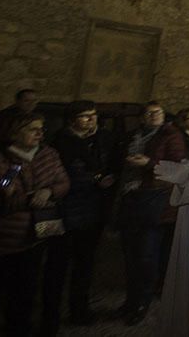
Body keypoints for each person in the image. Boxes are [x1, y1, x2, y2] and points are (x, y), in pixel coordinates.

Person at [0, 112, 69, 336]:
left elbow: (63, 181)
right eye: (33, 129)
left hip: (39, 234)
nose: (40, 133)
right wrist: (25, 199)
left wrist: (49, 190)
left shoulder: (49, 154)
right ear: (14, 133)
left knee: (26, 289)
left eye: (41, 129)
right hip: (6, 238)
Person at [43, 101, 119, 330]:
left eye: (93, 115)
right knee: (57, 266)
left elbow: (112, 164)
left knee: (84, 264)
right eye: (85, 116)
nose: (91, 120)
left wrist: (109, 179)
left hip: (92, 211)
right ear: (72, 119)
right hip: (66, 210)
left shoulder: (104, 138)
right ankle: (50, 316)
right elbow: (59, 175)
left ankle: (79, 310)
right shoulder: (61, 142)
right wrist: (94, 180)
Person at [117, 101, 186, 325]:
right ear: (142, 118)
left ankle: (142, 303)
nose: (154, 115)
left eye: (158, 112)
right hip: (131, 196)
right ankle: (130, 299)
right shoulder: (133, 135)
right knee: (130, 254)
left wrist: (148, 163)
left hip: (154, 199)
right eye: (149, 113)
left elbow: (176, 164)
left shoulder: (171, 135)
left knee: (147, 255)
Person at [0, 88, 40, 154]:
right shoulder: (6, 118)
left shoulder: (34, 116)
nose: (31, 104)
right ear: (18, 102)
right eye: (26, 101)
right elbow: (0, 141)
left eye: (34, 100)